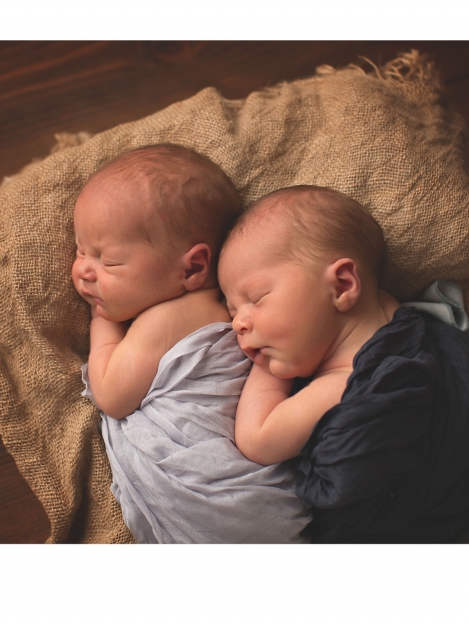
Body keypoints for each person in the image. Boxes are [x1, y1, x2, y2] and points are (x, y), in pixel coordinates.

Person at [218, 185, 469, 543]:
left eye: (256, 299)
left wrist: (266, 367)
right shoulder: (408, 325)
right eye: (231, 312)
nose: (237, 325)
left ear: (342, 285)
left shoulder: (348, 383)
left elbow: (257, 439)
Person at [72, 144, 311, 543]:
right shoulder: (223, 309)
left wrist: (102, 325)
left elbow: (112, 395)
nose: (82, 270)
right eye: (81, 251)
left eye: (107, 261)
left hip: (216, 493)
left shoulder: (171, 317)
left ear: (193, 267)